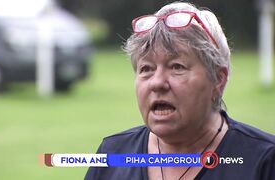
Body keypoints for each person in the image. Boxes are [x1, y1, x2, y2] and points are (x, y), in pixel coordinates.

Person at [85, 2, 275, 180]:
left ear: (218, 79)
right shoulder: (112, 155)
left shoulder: (264, 161)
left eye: (177, 67)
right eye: (146, 69)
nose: (157, 83)